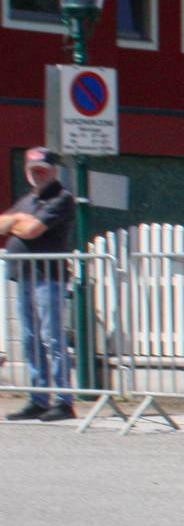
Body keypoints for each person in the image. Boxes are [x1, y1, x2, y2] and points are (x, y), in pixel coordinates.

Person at [2, 148, 79, 422]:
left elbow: (33, 230)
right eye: (33, 170)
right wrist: (18, 220)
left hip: (49, 278)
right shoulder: (27, 200)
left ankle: (64, 401)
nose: (38, 174)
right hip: (25, 276)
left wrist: (16, 223)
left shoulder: (62, 198)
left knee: (52, 338)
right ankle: (38, 398)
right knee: (30, 339)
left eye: (43, 169)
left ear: (54, 171)